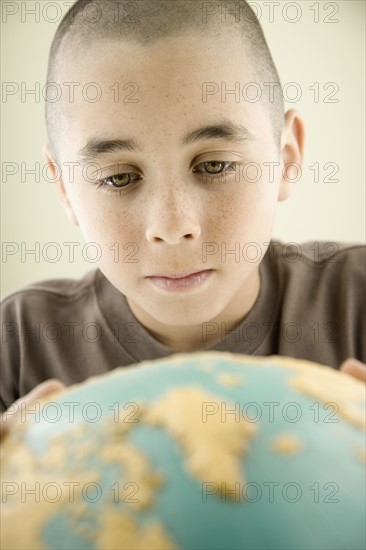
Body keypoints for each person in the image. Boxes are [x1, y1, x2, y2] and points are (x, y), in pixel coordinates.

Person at [1, 0, 365, 436]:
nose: (172, 227)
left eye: (213, 166)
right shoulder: (20, 344)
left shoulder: (355, 304)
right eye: (119, 178)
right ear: (65, 189)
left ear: (286, 158)